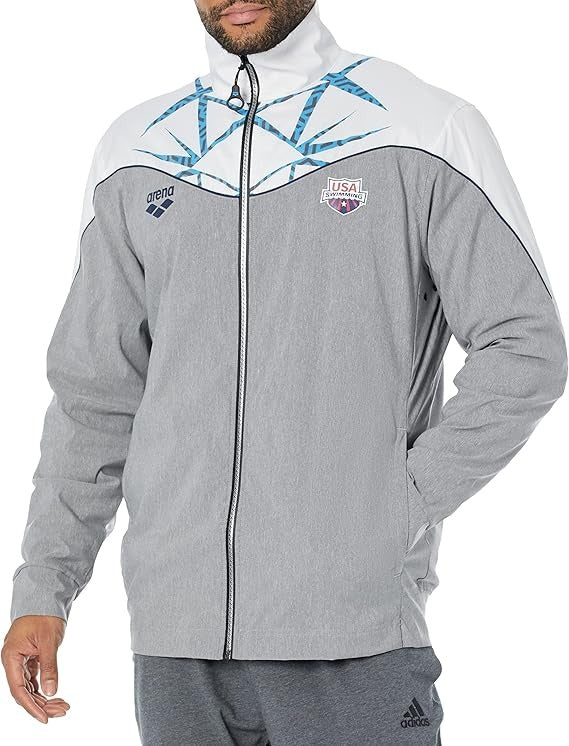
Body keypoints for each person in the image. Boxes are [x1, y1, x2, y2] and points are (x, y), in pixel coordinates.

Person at [2, 0, 567, 743]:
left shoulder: (422, 127)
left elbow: (524, 346)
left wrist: (392, 506)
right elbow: (96, 395)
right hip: (176, 643)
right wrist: (44, 586)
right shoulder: (135, 153)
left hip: (353, 637)